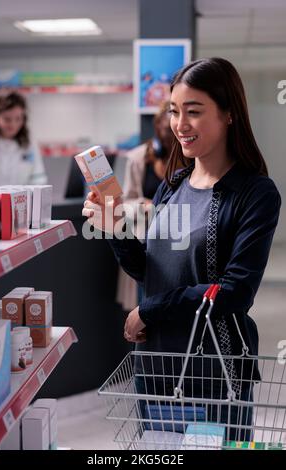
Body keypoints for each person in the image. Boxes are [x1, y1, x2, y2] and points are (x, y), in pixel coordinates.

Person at [83, 57, 281, 441]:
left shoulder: (254, 194)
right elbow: (151, 269)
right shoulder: (173, 185)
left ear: (228, 115)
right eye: (175, 111)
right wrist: (115, 229)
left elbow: (235, 291)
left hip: (215, 371)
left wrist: (150, 309)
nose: (179, 124)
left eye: (194, 111)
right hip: (158, 364)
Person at [117, 101, 174, 311]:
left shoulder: (190, 159)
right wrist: (143, 205)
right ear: (157, 127)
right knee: (146, 304)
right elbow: (125, 203)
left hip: (179, 242)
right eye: (166, 130)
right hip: (147, 241)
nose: (170, 137)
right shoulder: (138, 158)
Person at [0, 92, 47, 187]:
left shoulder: (29, 143)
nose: (13, 124)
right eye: (7, 119)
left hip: (22, 200)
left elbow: (38, 178)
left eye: (18, 119)